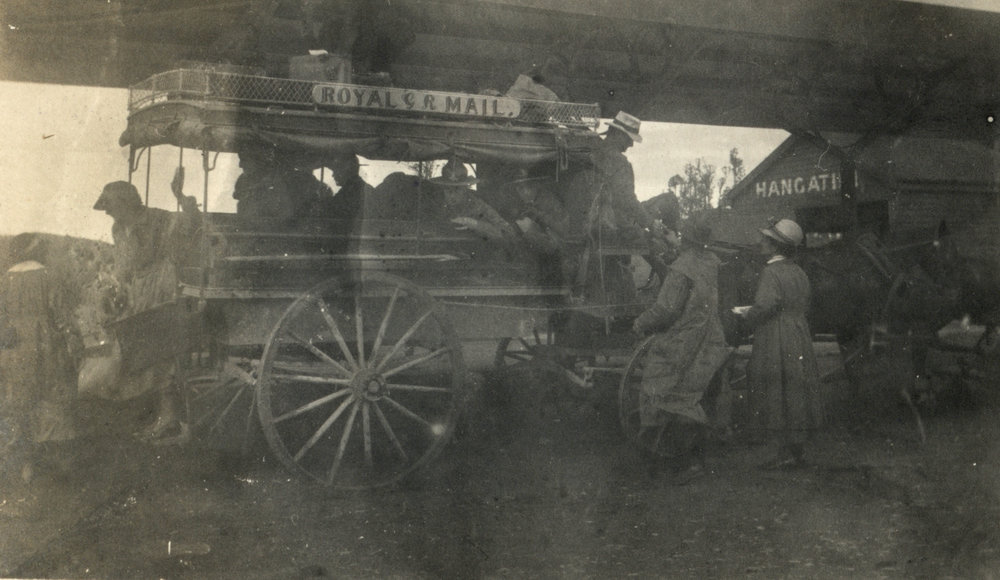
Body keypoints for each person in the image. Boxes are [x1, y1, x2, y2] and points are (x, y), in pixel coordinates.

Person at [92, 168, 200, 441]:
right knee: (139, 351)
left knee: (159, 352)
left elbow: (189, 225)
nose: (107, 212)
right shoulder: (118, 228)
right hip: (138, 290)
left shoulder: (157, 219)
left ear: (126, 202)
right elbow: (124, 266)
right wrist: (114, 290)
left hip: (162, 286)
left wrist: (181, 196)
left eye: (111, 206)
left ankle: (170, 418)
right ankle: (160, 415)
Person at [632, 215, 730, 483]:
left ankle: (679, 462)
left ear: (684, 238)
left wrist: (641, 323)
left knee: (663, 389)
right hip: (710, 337)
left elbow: (667, 309)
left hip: (685, 340)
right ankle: (695, 459)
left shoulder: (682, 268)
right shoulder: (710, 262)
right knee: (696, 393)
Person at [733, 218, 823, 469]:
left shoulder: (771, 272)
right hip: (798, 333)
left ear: (775, 247)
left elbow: (766, 305)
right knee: (795, 387)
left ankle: (783, 454)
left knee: (777, 387)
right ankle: (796, 449)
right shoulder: (798, 271)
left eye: (766, 240)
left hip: (776, 335)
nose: (761, 243)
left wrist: (747, 315)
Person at [0, 234, 77, 484]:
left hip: (14, 347)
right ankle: (59, 459)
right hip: (43, 344)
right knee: (51, 396)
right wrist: (72, 337)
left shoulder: (6, 278)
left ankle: (27, 464)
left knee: (22, 399)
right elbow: (60, 312)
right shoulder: (47, 276)